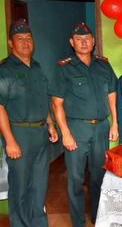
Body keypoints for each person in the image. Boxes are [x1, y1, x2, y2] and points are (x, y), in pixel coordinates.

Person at [49, 22, 118, 227]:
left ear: (93, 41)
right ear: (72, 43)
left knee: (99, 176)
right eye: (79, 39)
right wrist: (65, 134)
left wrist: (114, 123)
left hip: (101, 129)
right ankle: (78, 222)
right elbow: (56, 103)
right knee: (76, 179)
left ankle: (99, 217)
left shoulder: (103, 65)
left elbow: (112, 94)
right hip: (77, 129)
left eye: (87, 38)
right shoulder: (64, 68)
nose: (84, 42)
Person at [0, 19, 58, 227]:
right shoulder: (5, 70)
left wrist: (50, 124)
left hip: (40, 132)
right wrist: (10, 141)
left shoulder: (37, 66)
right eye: (20, 39)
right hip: (19, 134)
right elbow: (0, 107)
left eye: (28, 38)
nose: (25, 43)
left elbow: (43, 99)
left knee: (39, 183)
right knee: (20, 186)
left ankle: (38, 223)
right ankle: (20, 224)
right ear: (10, 43)